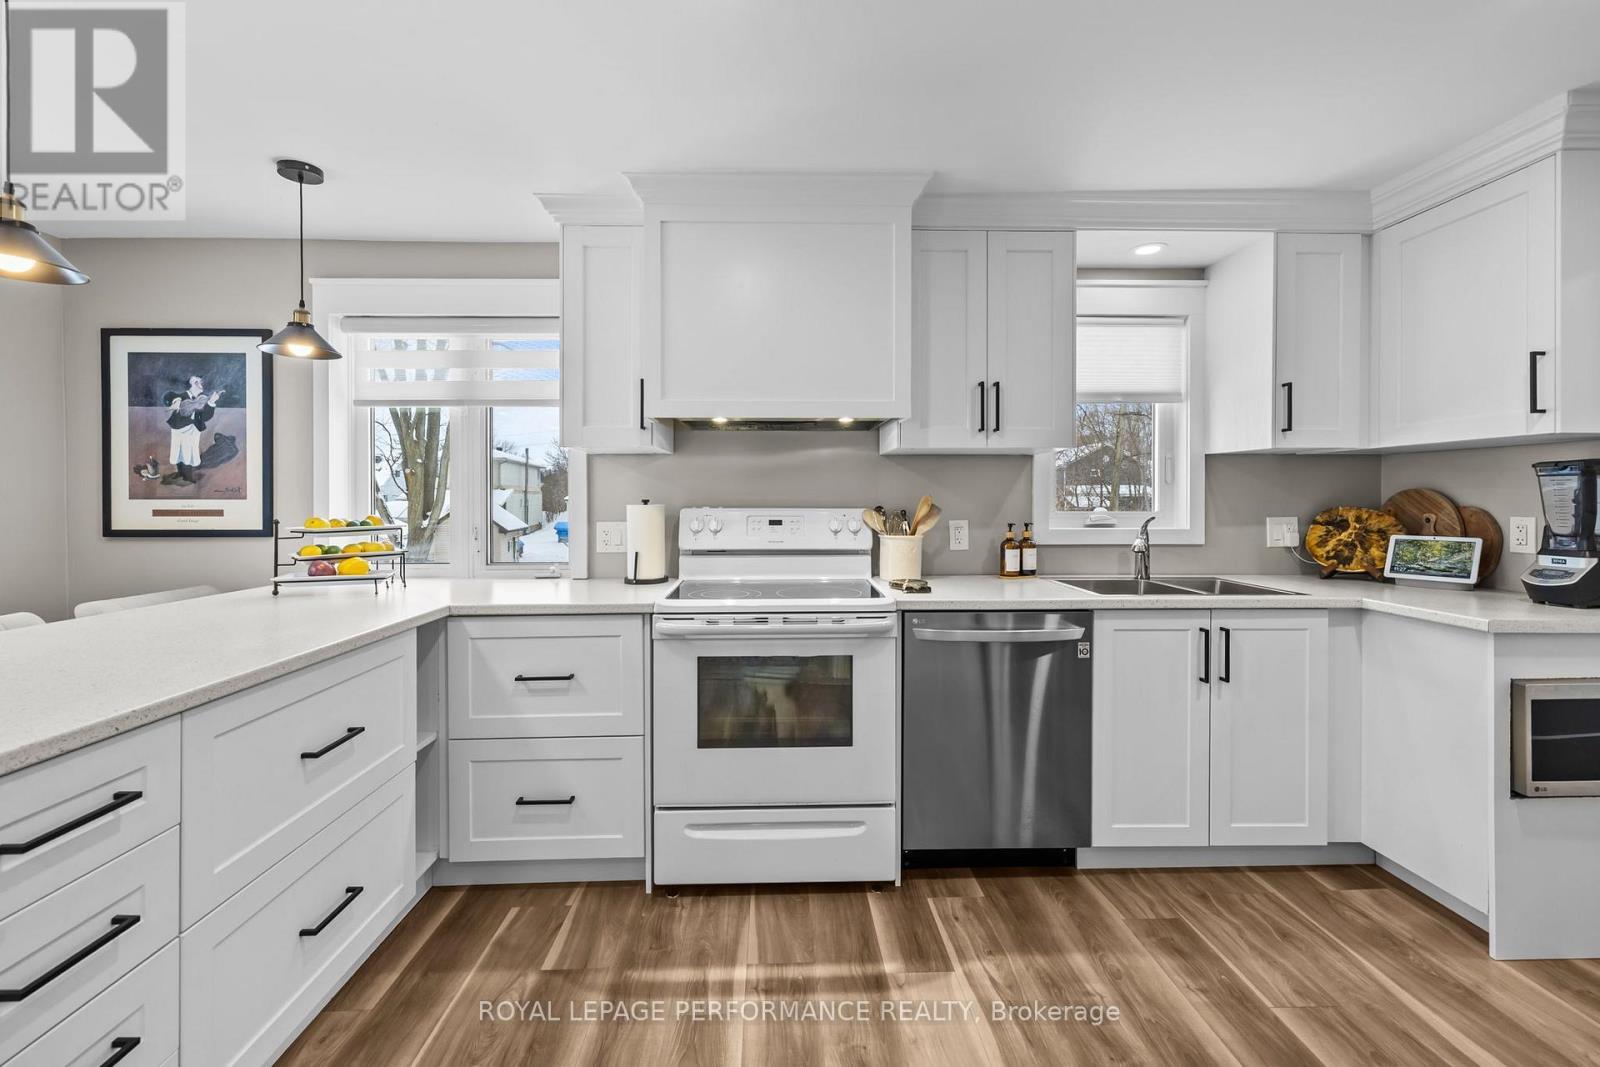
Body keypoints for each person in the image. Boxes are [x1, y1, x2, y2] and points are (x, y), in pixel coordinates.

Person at [165, 375, 222, 482]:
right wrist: (175, 400)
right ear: (190, 384)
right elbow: (169, 396)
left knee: (190, 451)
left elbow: (205, 417)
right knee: (178, 450)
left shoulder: (202, 399)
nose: (200, 384)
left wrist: (211, 402)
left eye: (200, 382)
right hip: (179, 428)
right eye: (196, 382)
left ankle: (187, 475)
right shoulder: (181, 396)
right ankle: (179, 472)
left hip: (193, 429)